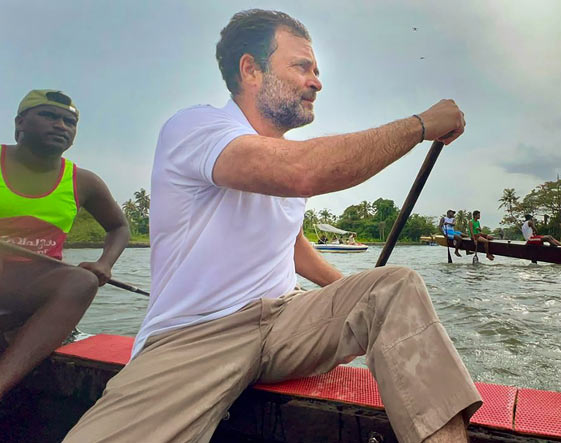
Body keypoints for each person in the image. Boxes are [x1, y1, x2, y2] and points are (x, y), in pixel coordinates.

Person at [64, 10, 479, 443]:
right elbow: (304, 172)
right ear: (251, 70)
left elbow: (290, 242)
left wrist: (351, 296)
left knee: (394, 286)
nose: (316, 82)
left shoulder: (284, 155)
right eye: (302, 67)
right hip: (194, 334)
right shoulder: (197, 128)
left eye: (317, 71)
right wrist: (420, 126)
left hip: (285, 321)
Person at [0, 90, 129, 400]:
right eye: (48, 116)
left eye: (69, 122)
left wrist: (104, 264)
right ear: (20, 123)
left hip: (33, 289)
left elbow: (119, 227)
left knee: (82, 280)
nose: (61, 125)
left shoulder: (84, 181)